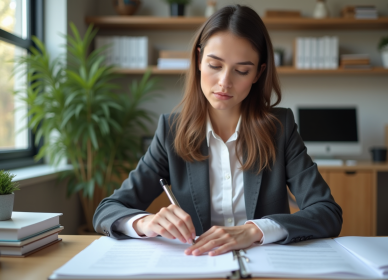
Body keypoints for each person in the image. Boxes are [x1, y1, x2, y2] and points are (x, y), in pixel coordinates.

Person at [93, 4, 342, 257]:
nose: (224, 82)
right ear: (199, 60)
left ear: (258, 73)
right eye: (214, 65)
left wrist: (256, 230)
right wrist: (145, 223)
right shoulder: (172, 130)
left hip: (266, 266)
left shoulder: (281, 127)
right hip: (198, 264)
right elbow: (108, 210)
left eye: (242, 70)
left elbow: (327, 212)